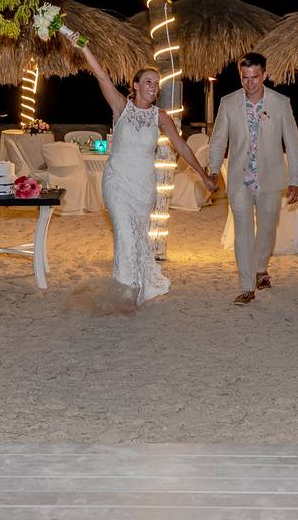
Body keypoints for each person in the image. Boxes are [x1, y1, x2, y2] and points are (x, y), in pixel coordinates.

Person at [65, 32, 217, 311]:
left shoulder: (160, 118)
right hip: (117, 182)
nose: (153, 87)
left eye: (156, 84)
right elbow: (101, 77)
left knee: (138, 237)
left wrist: (203, 174)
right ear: (134, 85)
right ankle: (124, 294)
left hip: (144, 188)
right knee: (124, 234)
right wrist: (83, 48)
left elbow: (181, 146)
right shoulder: (121, 107)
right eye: (147, 82)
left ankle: (138, 284)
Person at [208, 52, 298, 305]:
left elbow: (292, 144)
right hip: (239, 177)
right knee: (243, 231)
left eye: (255, 77)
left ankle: (261, 268)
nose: (250, 83)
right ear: (241, 76)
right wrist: (213, 169)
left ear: (264, 75)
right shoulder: (228, 103)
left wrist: (296, 179)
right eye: (245, 78)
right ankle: (247, 285)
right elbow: (218, 139)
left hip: (270, 177)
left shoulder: (280, 103)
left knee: (268, 227)